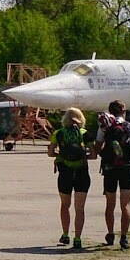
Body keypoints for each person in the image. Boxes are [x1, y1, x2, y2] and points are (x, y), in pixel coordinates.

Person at [94, 100, 130, 250]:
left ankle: (110, 234)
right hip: (127, 168)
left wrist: (107, 155)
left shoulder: (104, 127)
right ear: (123, 111)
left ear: (110, 111)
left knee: (110, 204)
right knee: (125, 205)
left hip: (110, 168)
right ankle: (124, 238)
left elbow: (97, 148)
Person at [47, 107, 93, 251]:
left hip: (65, 173)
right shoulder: (85, 133)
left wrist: (61, 156)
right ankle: (78, 238)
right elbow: (93, 155)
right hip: (82, 172)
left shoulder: (59, 133)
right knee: (80, 208)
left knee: (65, 205)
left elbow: (50, 153)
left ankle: (65, 234)